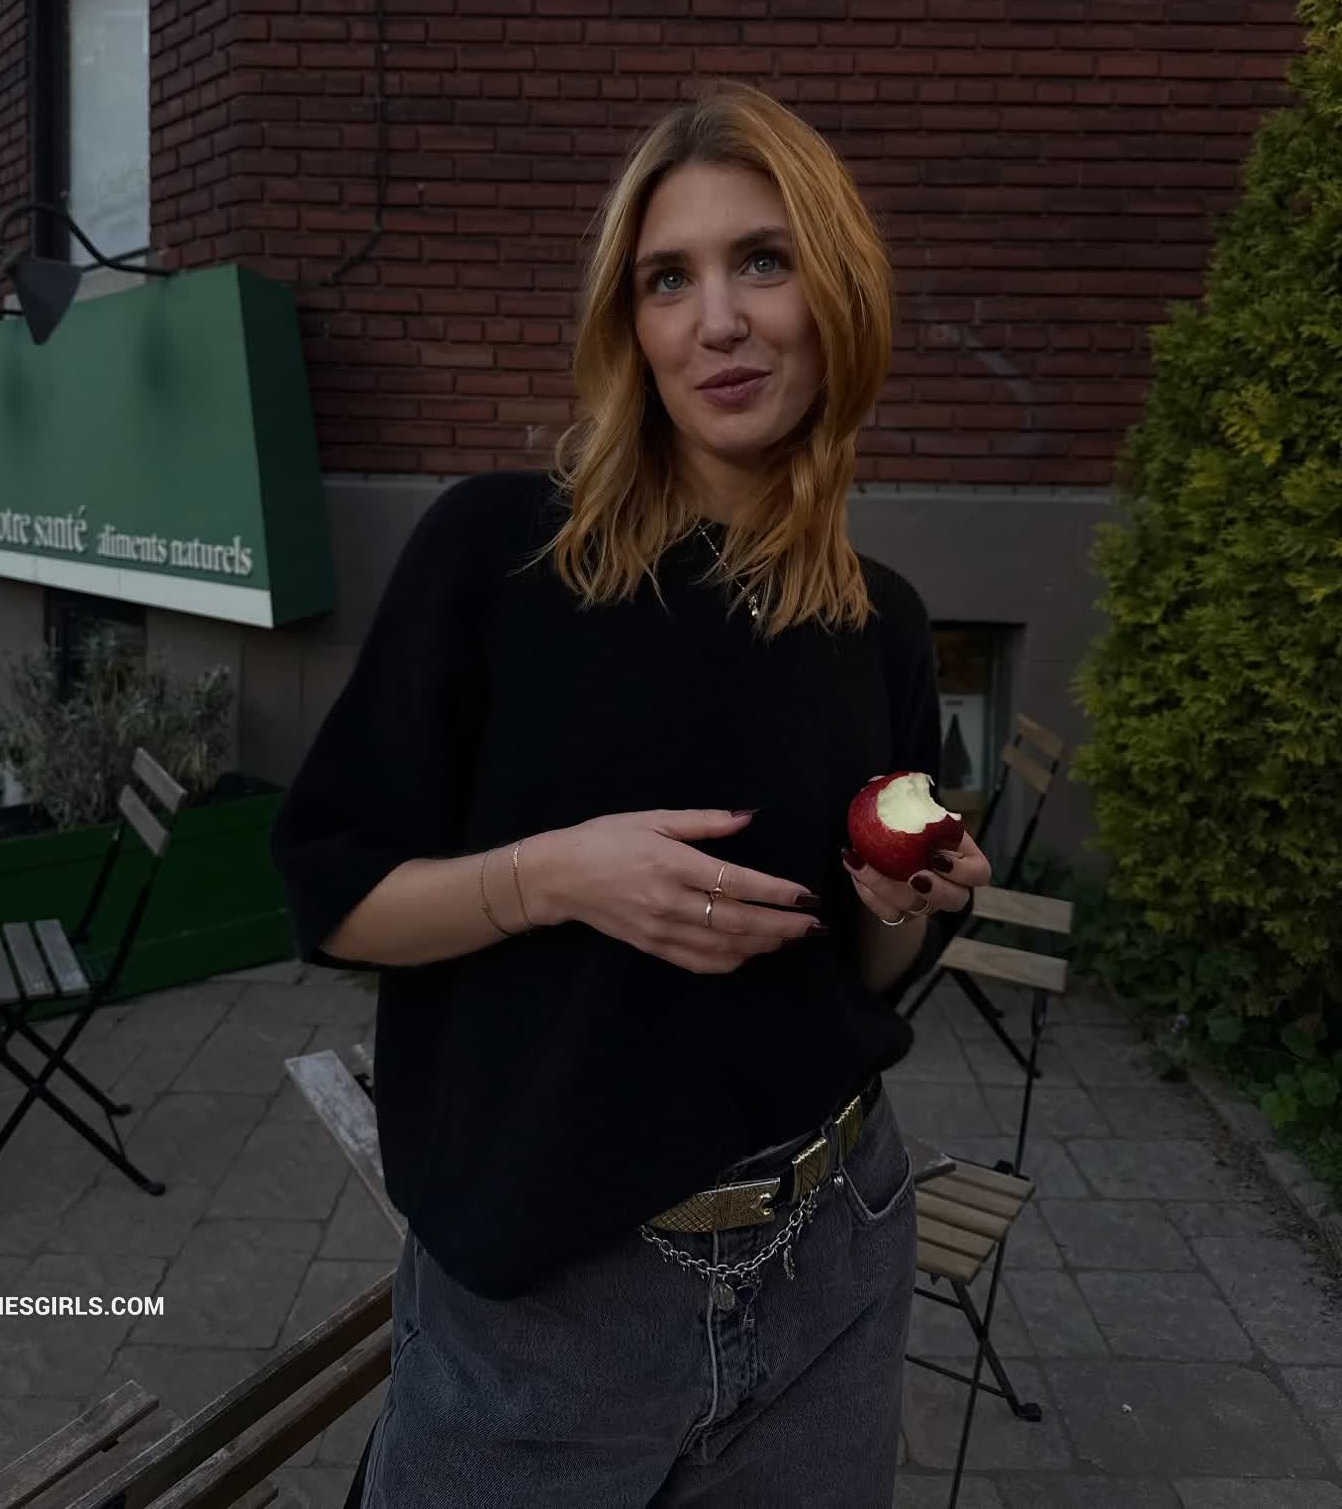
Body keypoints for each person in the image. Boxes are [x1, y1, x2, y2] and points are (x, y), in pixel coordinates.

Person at [271, 82, 993, 1508]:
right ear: (630, 325)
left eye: (762, 262)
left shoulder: (882, 623)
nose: (716, 321)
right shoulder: (499, 556)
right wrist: (555, 877)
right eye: (669, 279)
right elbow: (333, 895)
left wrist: (901, 900)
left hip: (833, 1252)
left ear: (837, 297)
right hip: (549, 1306)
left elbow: (871, 970)